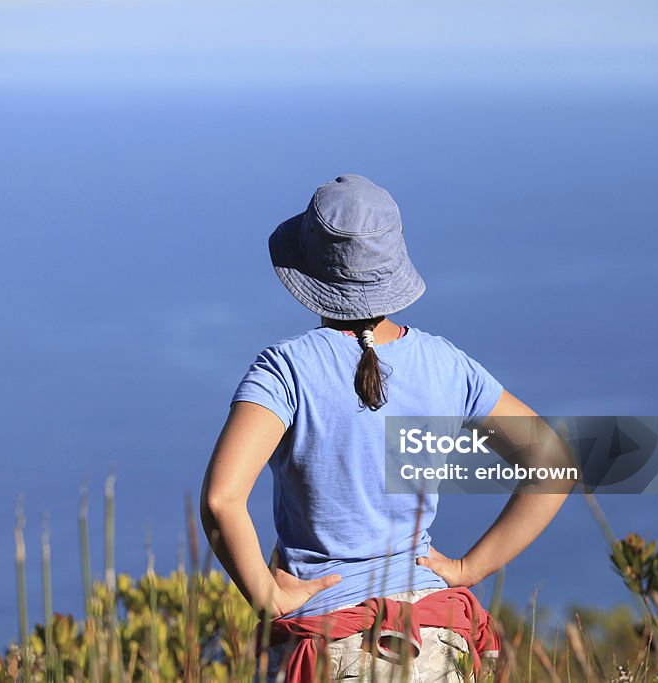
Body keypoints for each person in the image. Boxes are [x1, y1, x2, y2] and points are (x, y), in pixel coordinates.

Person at [200, 174, 573, 682]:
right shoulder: (447, 365)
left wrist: (268, 595)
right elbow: (553, 464)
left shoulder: (285, 370)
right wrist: (470, 570)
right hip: (436, 636)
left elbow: (222, 501)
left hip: (331, 640)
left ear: (310, 271)